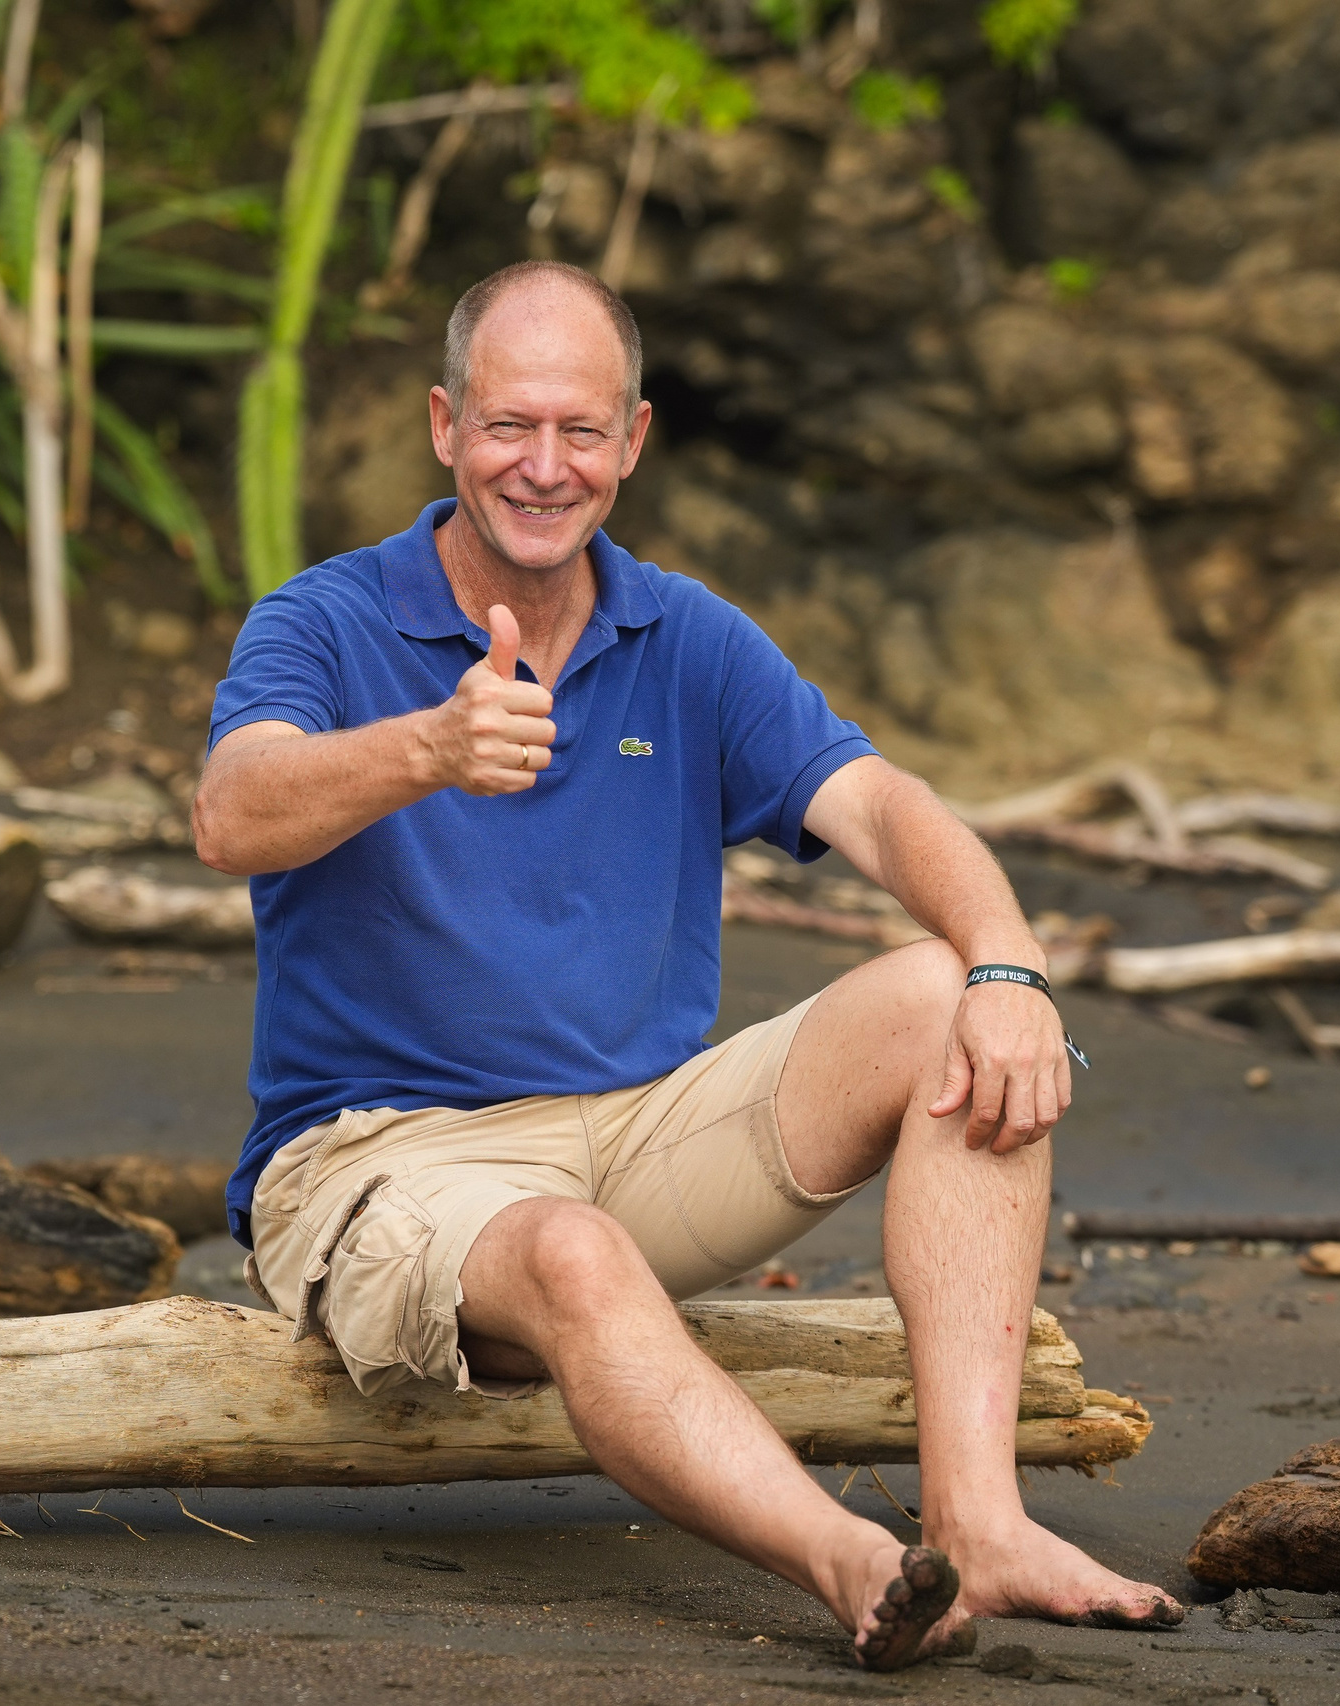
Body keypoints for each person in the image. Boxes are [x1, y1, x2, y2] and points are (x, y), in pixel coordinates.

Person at [192, 259, 1182, 1669]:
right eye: (508, 426)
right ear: (443, 424)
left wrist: (1010, 964)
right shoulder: (327, 618)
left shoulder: (686, 635)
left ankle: (983, 1517)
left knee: (941, 998)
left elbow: (884, 804)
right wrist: (428, 746)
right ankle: (851, 1557)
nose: (544, 466)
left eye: (580, 432)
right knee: (574, 1254)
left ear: (634, 439)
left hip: (636, 1133)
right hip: (380, 1155)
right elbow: (232, 813)